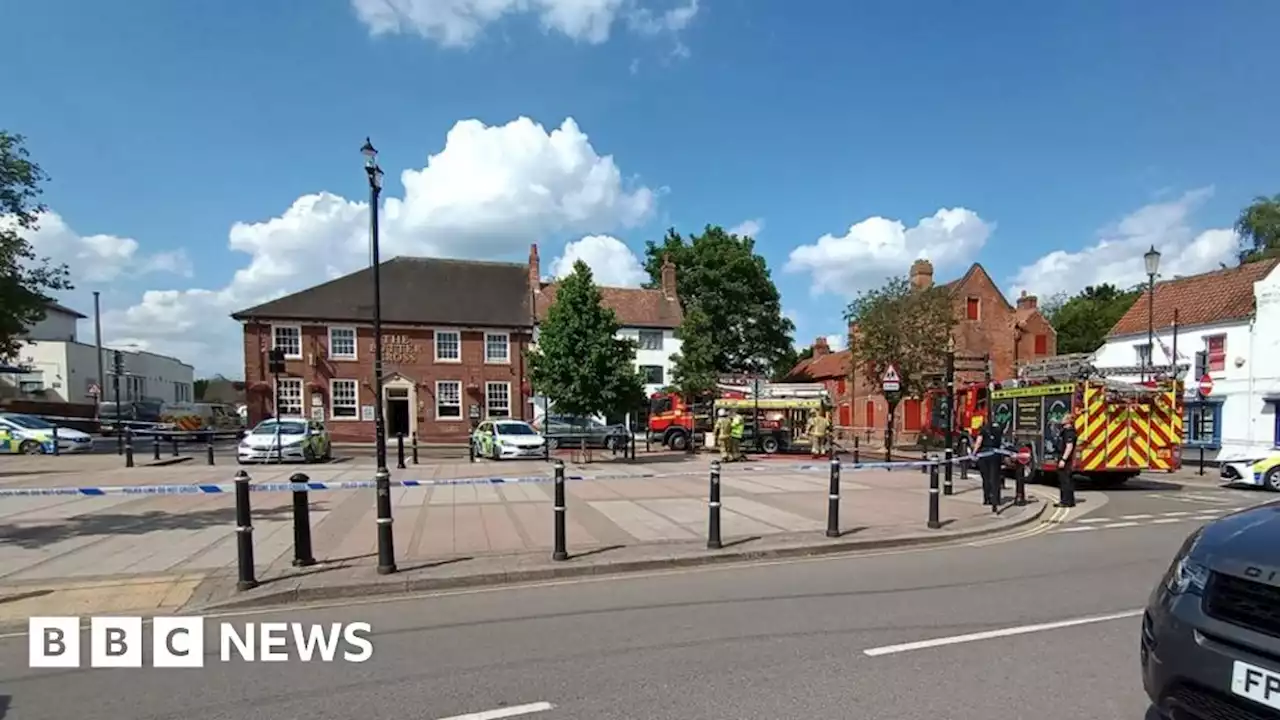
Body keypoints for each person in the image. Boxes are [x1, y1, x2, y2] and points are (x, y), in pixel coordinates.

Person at [972, 413, 1004, 507]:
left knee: (986, 478)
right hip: (996, 455)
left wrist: (974, 453)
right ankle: (996, 499)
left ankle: (987, 499)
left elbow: (978, 442)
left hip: (984, 455)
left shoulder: (984, 429)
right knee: (995, 478)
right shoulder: (999, 429)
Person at [1054, 409, 1078, 508]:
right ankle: (1069, 501)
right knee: (1065, 480)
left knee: (1065, 480)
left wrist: (1063, 460)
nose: (1062, 420)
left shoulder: (1069, 432)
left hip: (1065, 459)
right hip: (1064, 457)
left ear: (1068, 421)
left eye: (1064, 418)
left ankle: (1066, 501)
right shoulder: (1065, 431)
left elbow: (1069, 446)